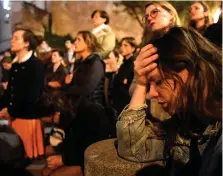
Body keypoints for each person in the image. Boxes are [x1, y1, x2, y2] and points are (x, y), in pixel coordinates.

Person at [117, 27, 222, 176]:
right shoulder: (187, 122)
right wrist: (140, 83)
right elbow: (131, 147)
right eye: (149, 85)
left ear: (189, 71)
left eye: (158, 82)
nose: (151, 94)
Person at [41, 31, 110, 176]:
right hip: (79, 114)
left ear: (88, 43)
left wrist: (67, 86)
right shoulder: (82, 63)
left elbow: (87, 89)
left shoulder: (96, 63)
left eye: (79, 40)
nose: (75, 43)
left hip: (91, 117)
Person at [129, 1, 181, 120]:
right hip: (152, 114)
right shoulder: (147, 49)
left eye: (154, 12)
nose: (149, 18)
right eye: (146, 16)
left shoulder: (186, 44)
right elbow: (133, 89)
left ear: (171, 14)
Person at [0, 28, 45, 160]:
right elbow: (10, 93)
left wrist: (11, 111)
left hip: (26, 118)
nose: (12, 41)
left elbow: (31, 96)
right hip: (15, 117)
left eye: (16, 38)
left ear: (26, 43)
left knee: (23, 159)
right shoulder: (16, 65)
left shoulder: (35, 65)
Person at [112, 37, 137, 114]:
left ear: (133, 48)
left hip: (124, 103)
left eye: (125, 45)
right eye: (121, 45)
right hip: (117, 100)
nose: (122, 48)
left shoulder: (132, 64)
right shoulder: (125, 62)